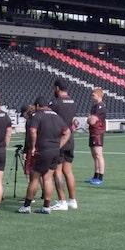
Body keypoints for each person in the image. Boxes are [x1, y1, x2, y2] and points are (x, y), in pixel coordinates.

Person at [18, 96, 71, 214]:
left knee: (34, 178)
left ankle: (26, 206)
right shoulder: (56, 116)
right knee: (47, 178)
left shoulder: (37, 116)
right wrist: (58, 145)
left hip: (42, 151)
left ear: (37, 106)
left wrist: (32, 147)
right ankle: (46, 207)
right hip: (55, 152)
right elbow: (67, 132)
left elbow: (32, 131)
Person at [50, 80, 78, 210]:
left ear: (57, 88)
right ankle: (72, 200)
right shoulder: (73, 102)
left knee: (57, 171)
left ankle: (62, 201)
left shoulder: (55, 103)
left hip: (59, 140)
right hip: (70, 139)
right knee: (68, 171)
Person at [86, 89, 107, 185]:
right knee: (94, 156)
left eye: (93, 95)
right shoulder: (95, 106)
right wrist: (89, 118)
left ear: (99, 95)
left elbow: (91, 121)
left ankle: (100, 177)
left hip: (98, 133)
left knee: (98, 155)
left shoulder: (100, 106)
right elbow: (90, 119)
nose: (92, 96)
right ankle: (96, 175)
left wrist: (89, 119)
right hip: (93, 132)